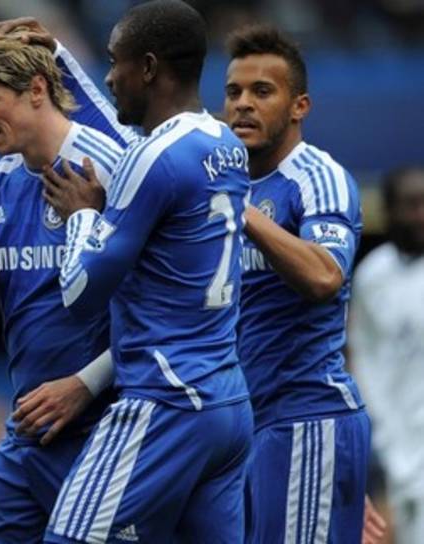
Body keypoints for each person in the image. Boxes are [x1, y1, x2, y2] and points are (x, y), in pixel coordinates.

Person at [39, 1, 253, 541]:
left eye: (116, 62)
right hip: (227, 404)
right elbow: (128, 135)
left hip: (166, 400)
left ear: (150, 68)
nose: (110, 77)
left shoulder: (154, 158)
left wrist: (83, 216)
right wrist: (61, 59)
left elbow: (81, 293)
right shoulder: (225, 144)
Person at [0, 22, 133, 543]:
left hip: (111, 429)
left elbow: (165, 311)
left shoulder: (117, 170)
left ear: (37, 89)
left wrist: (85, 384)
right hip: (30, 432)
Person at [223, 24, 372, 542]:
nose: (243, 104)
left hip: (306, 417)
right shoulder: (226, 181)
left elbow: (325, 276)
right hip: (243, 426)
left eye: (262, 91)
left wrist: (241, 211)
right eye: (234, 92)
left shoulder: (315, 176)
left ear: (299, 106)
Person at [350, 167, 424, 544]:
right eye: (411, 205)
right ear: (389, 211)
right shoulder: (372, 275)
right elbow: (361, 355)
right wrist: (381, 431)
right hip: (394, 445)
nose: (421, 214)